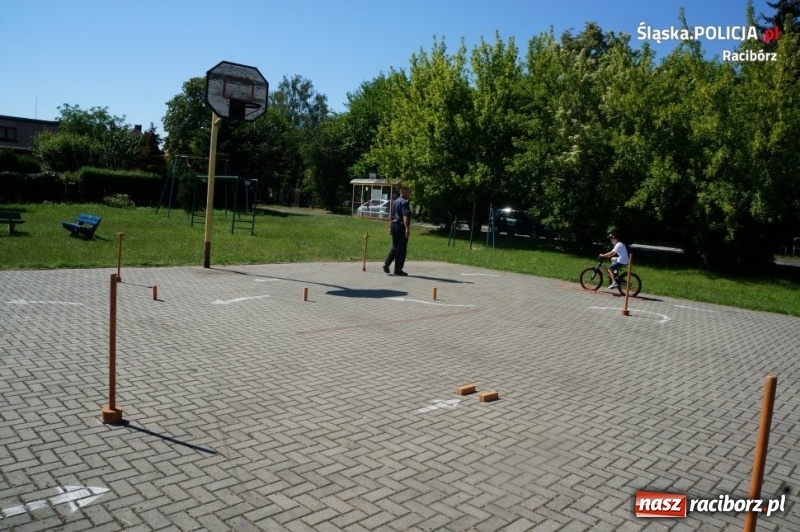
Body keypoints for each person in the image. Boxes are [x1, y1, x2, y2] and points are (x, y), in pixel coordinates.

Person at [383, 186, 411, 276]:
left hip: (394, 225)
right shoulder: (404, 202)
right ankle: (398, 269)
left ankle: (386, 264)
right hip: (400, 226)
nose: (409, 194)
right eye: (408, 192)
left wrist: (390, 227)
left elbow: (392, 216)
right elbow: (405, 216)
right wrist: (407, 228)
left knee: (395, 246)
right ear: (403, 192)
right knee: (401, 248)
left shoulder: (395, 201)